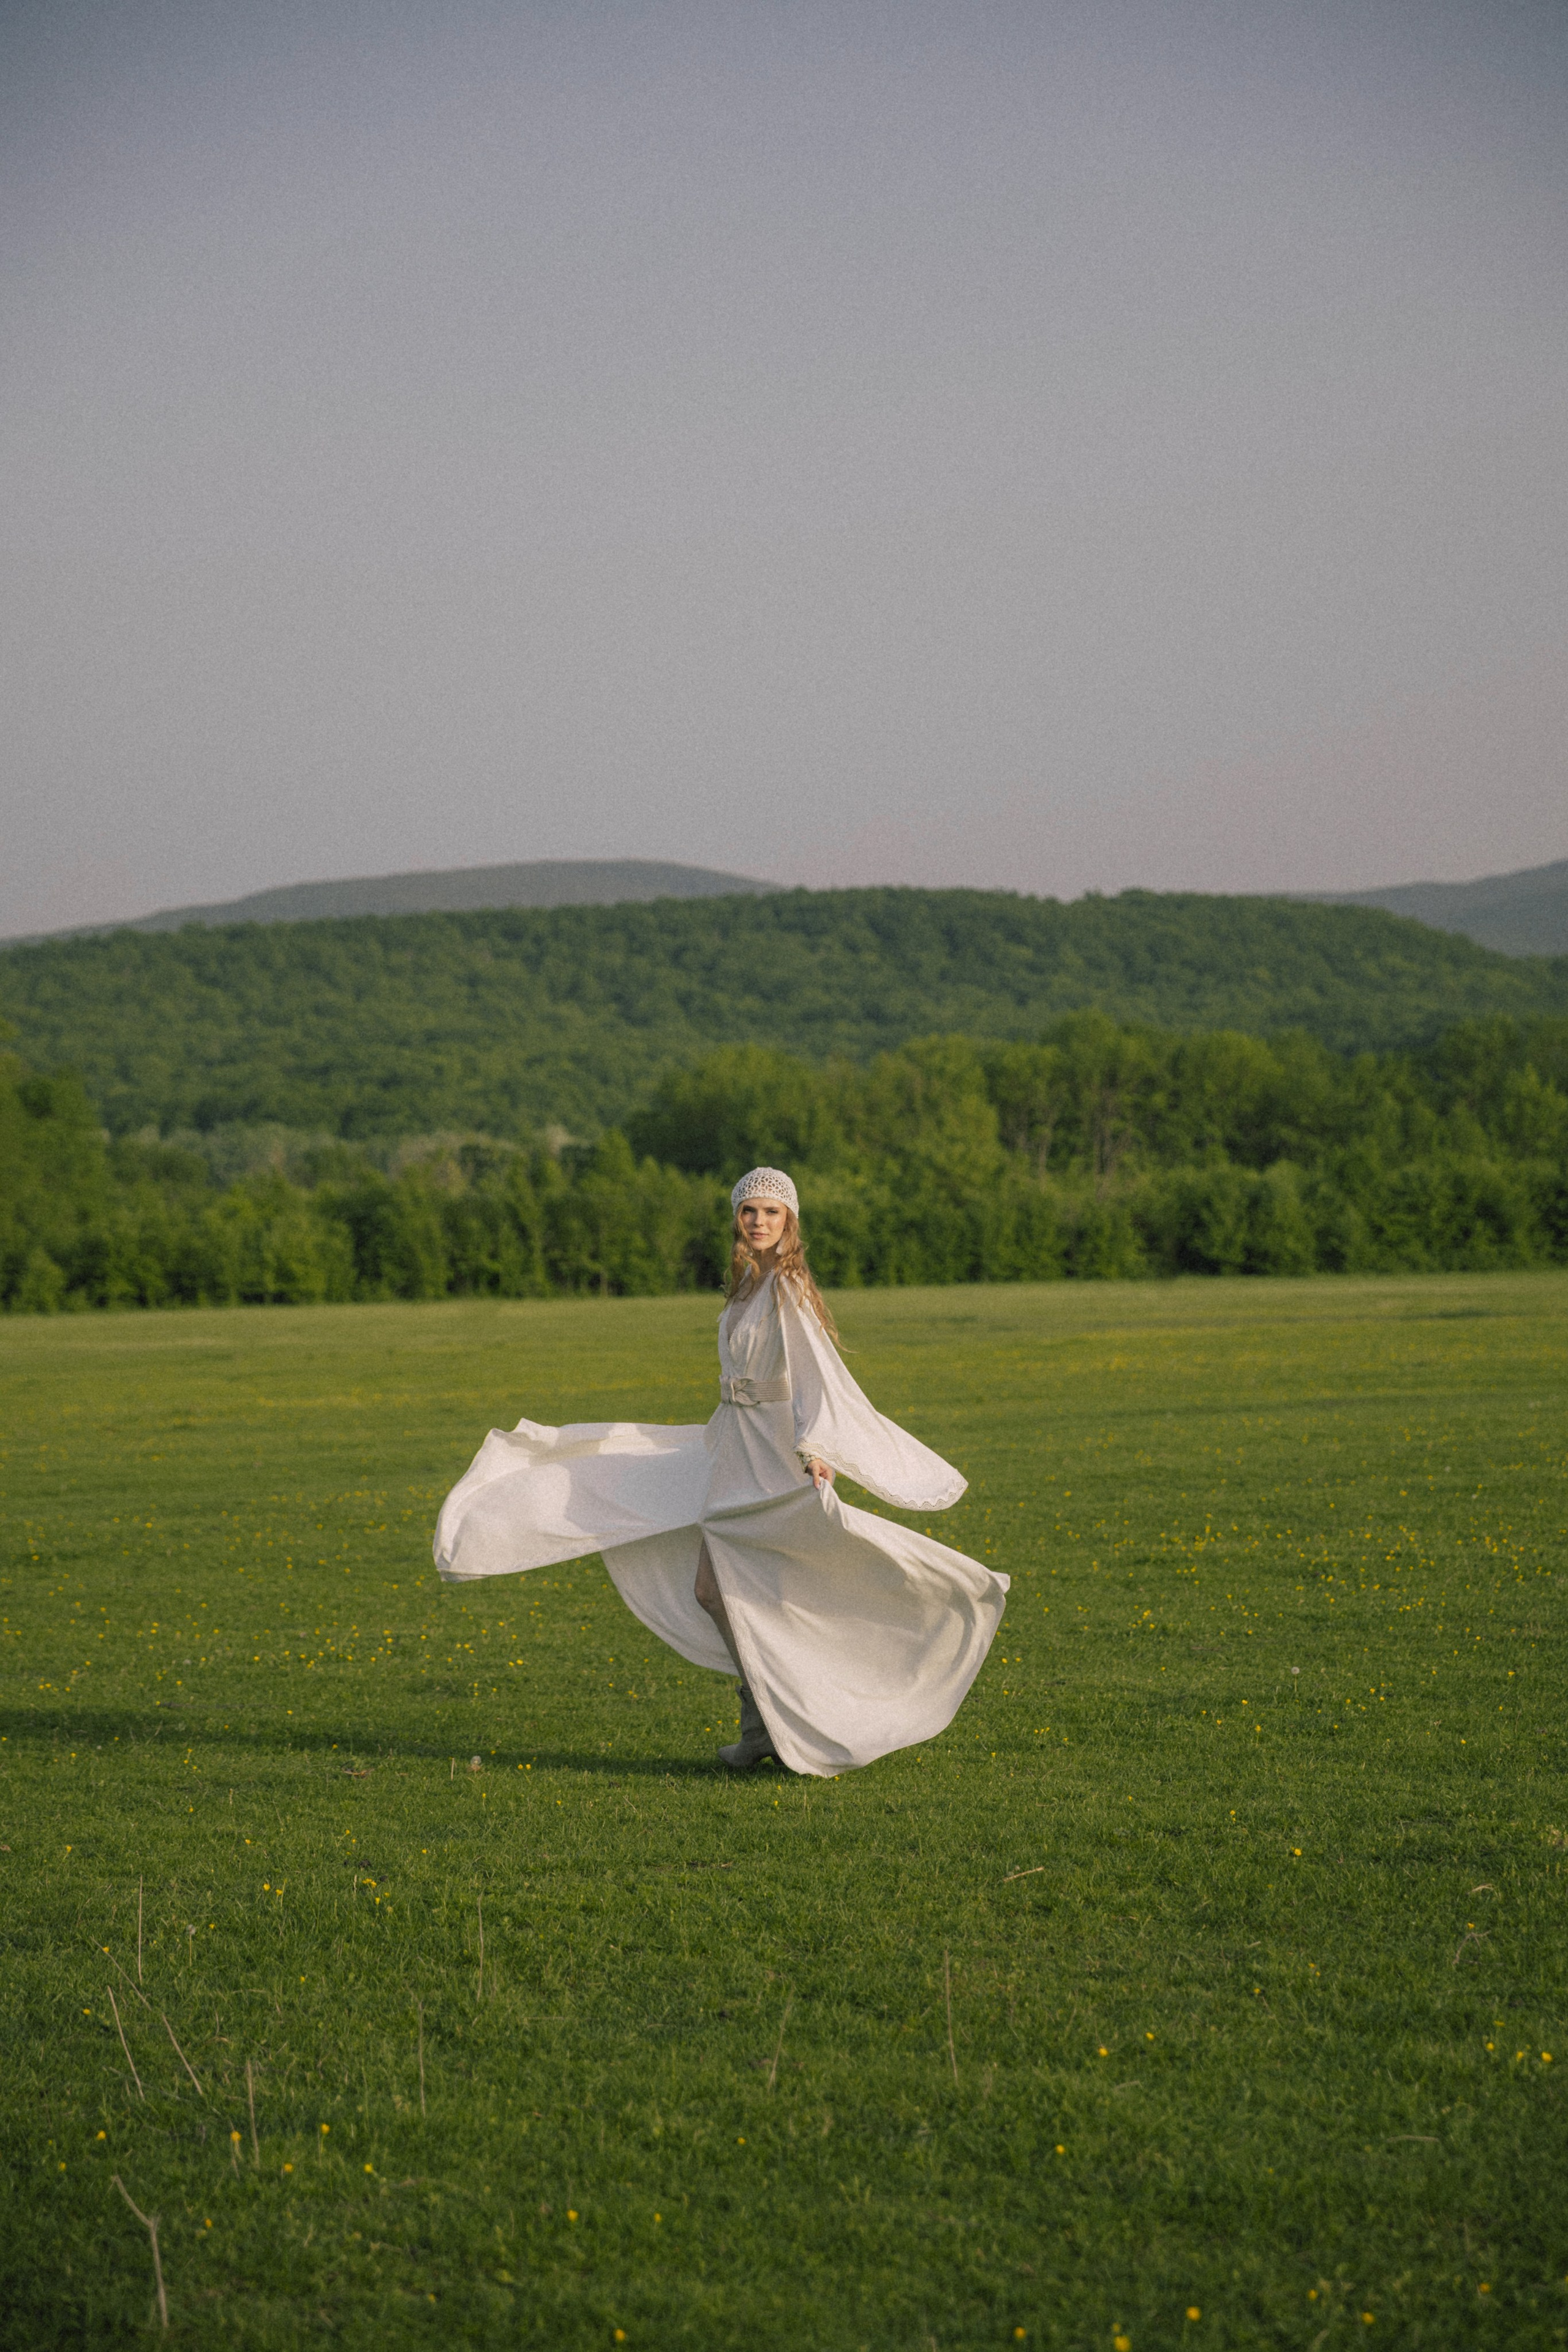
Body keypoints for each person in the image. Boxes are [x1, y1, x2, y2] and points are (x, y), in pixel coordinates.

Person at [433, 1167, 1007, 1775]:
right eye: (749, 1211)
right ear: (737, 1218)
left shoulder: (787, 1288)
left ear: (790, 1223)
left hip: (773, 1460)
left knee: (731, 1590)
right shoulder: (745, 1287)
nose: (758, 1221)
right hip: (733, 1448)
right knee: (723, 1590)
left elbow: (818, 1376)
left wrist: (818, 1450)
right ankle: (766, 1723)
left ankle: (779, 1718)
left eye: (771, 1213)